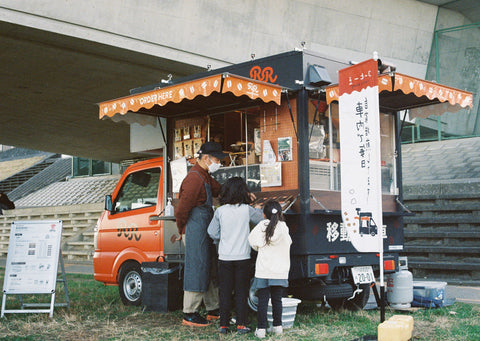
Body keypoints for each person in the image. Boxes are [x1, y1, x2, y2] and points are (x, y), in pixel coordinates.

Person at [175, 141, 226, 327]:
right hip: (195, 231)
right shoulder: (194, 179)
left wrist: (241, 192)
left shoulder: (204, 175)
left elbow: (219, 189)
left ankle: (213, 309)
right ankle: (189, 312)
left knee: (209, 268)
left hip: (204, 230)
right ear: (206, 158)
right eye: (216, 159)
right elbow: (181, 210)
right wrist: (181, 230)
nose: (219, 162)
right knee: (197, 269)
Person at [207, 177, 263, 335]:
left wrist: (220, 239)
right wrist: (257, 207)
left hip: (224, 257)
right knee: (241, 291)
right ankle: (241, 325)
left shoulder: (220, 211)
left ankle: (223, 325)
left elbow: (212, 232)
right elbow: (260, 219)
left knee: (224, 292)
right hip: (243, 257)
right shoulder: (247, 210)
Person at [248, 200, 292, 339]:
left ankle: (261, 330)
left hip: (263, 270)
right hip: (279, 271)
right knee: (277, 300)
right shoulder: (284, 228)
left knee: (263, 300)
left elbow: (252, 241)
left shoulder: (261, 225)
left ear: (263, 214)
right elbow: (289, 243)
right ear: (280, 213)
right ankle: (277, 327)